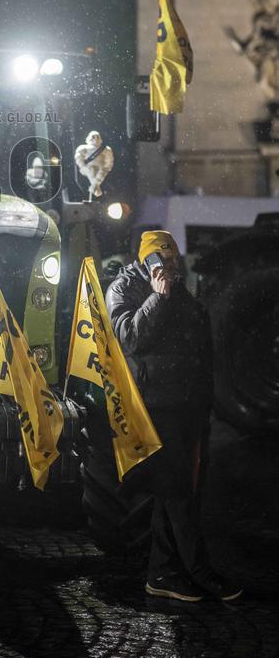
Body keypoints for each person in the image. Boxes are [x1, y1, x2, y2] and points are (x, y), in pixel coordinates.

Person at [105, 230, 242, 603]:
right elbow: (131, 338)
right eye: (161, 260)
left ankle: (163, 573)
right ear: (147, 260)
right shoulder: (125, 289)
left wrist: (207, 402)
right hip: (154, 406)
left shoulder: (180, 290)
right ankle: (199, 571)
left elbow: (198, 345)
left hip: (189, 406)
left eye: (173, 260)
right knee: (177, 492)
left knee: (180, 493)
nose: (169, 267)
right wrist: (157, 296)